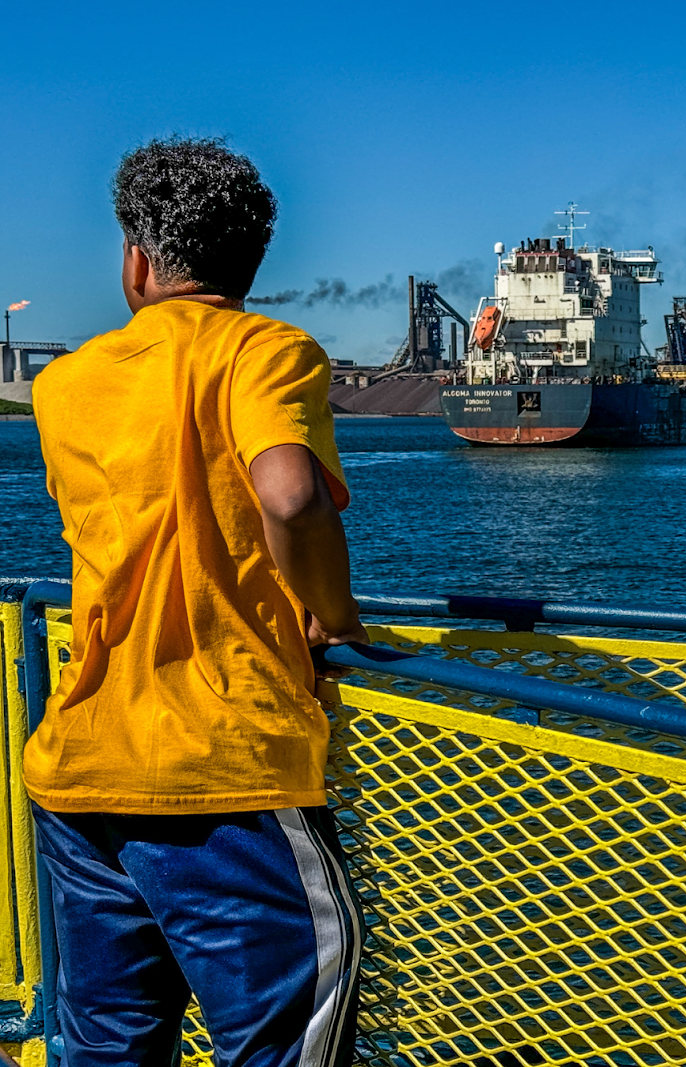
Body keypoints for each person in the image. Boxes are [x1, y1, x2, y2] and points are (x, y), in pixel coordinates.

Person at [24, 137, 366, 1067]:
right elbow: (289, 495)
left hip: (81, 772)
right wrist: (334, 618)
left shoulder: (62, 387)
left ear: (136, 258)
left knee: (109, 1049)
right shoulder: (269, 351)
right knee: (284, 1047)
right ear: (252, 262)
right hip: (231, 774)